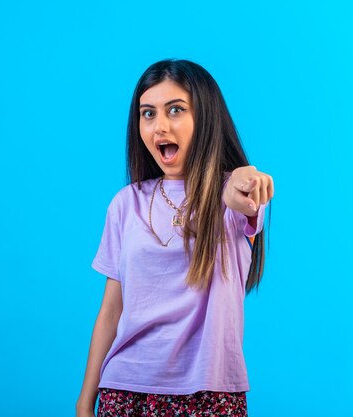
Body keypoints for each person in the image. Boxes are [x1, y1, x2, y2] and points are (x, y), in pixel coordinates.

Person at [76, 58, 275, 417]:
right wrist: (84, 401)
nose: (159, 126)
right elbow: (110, 310)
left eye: (176, 110)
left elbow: (244, 198)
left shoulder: (230, 196)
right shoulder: (126, 204)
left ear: (206, 118)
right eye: (148, 113)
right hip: (124, 391)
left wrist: (243, 186)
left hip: (209, 393)